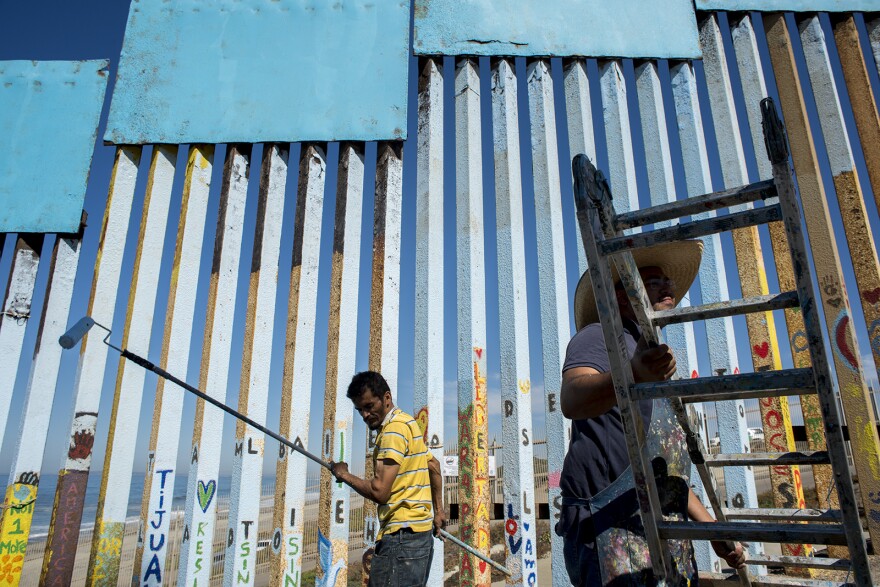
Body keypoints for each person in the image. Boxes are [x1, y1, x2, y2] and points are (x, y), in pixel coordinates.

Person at [556, 240, 746, 586]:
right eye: (652, 280)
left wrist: (712, 529)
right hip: (608, 531)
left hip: (659, 533)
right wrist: (633, 374)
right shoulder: (600, 337)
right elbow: (571, 399)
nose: (667, 285)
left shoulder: (649, 354)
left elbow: (662, 466)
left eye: (666, 280)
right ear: (619, 296)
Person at [331, 371, 446, 587]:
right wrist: (438, 511)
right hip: (419, 537)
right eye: (360, 410)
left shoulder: (393, 431)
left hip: (401, 541)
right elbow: (433, 465)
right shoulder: (407, 423)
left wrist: (343, 475)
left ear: (386, 398)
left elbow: (379, 492)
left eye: (369, 406)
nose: (365, 415)